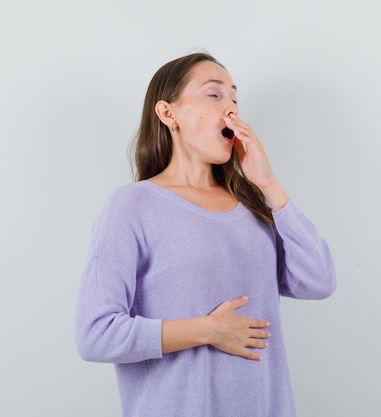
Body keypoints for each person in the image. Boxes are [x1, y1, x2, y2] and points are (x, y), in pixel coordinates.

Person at [75, 51, 336, 417]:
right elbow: (96, 335)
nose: (230, 109)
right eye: (214, 95)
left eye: (234, 98)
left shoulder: (253, 205)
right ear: (168, 113)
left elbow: (318, 281)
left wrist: (268, 183)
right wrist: (209, 330)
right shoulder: (132, 205)